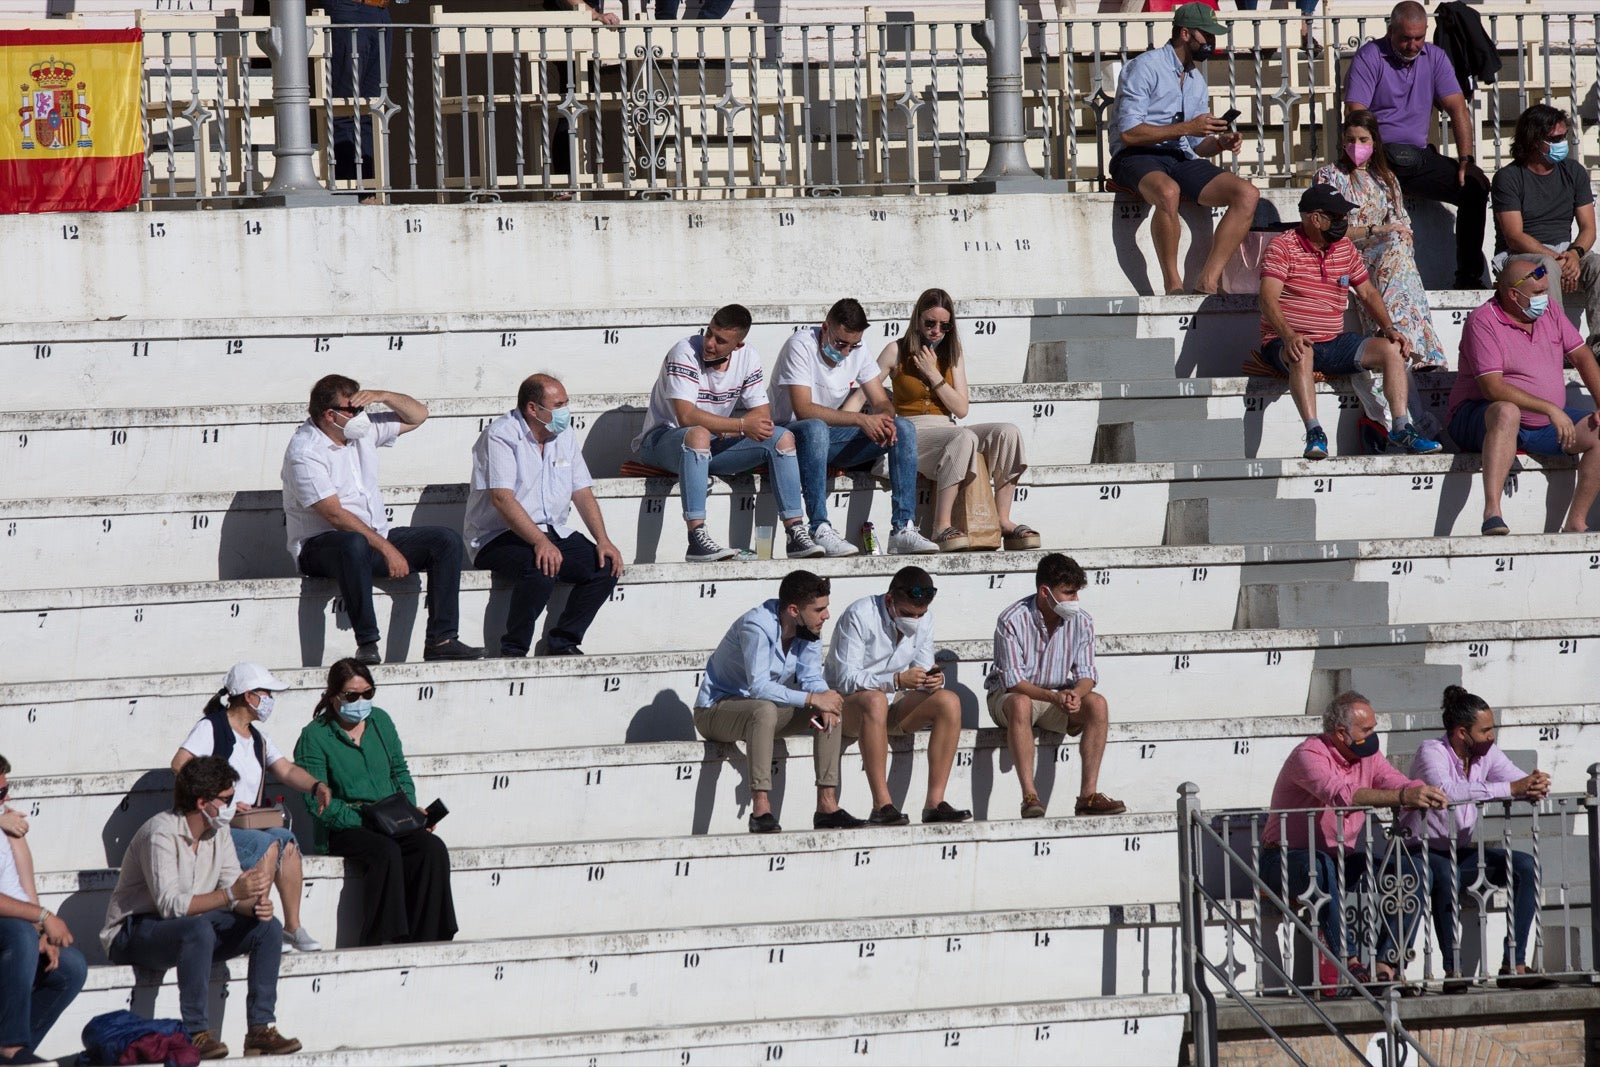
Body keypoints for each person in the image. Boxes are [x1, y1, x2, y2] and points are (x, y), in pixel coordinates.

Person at [101, 758, 302, 1060]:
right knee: (197, 928)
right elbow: (171, 905)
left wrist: (255, 904)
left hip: (193, 928)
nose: (232, 805)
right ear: (202, 802)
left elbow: (233, 891)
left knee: (268, 926)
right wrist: (233, 894)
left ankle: (260, 1029)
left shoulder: (217, 832)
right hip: (134, 931)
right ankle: (196, 1033)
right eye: (226, 799)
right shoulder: (160, 833)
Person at [282, 374, 482, 665]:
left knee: (444, 540)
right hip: (320, 547)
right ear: (330, 415)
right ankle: (367, 642)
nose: (361, 415)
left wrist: (383, 395)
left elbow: (418, 416)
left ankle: (442, 639)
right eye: (354, 409)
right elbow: (335, 515)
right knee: (352, 543)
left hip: (372, 538)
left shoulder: (360, 430)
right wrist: (388, 549)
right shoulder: (304, 452)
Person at [1258, 692, 1447, 991]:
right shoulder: (1309, 755)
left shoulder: (1368, 755)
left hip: (1337, 860)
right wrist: (1402, 797)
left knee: (1413, 870)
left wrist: (1421, 790)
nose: (1374, 735)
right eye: (1367, 730)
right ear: (1342, 734)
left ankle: (1387, 963)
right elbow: (1341, 796)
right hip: (1282, 862)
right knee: (1319, 865)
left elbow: (1394, 780)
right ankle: (1347, 961)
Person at [1258, 183, 1442, 460]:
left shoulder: (1343, 247)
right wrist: (1288, 335)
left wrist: (1390, 327)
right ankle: (1314, 432)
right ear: (1315, 218)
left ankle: (1402, 427)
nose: (1343, 222)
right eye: (1336, 216)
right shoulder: (1282, 246)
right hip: (1286, 343)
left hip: (1333, 342)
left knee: (1392, 350)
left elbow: (1366, 291)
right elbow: (1267, 298)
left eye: (1344, 216)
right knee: (1302, 350)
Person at [633, 305, 824, 563]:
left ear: (738, 345)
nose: (709, 343)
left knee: (782, 438)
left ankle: (795, 531)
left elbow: (762, 415)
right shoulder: (684, 352)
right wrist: (738, 426)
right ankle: (696, 537)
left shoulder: (748, 357)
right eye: (709, 333)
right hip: (661, 440)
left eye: (720, 340)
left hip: (712, 442)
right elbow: (685, 417)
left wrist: (730, 427)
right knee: (698, 434)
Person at [1400, 685, 1556, 991]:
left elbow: (1515, 778)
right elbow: (1447, 792)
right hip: (1420, 849)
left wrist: (1534, 785)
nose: (1491, 736)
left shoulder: (1486, 753)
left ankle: (1514, 963)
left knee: (1525, 866)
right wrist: (1513, 789)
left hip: (1459, 850)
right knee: (1444, 873)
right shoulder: (1431, 750)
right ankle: (1453, 971)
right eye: (1485, 730)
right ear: (1461, 733)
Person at [293, 659, 458, 947]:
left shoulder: (380, 720)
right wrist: (367, 820)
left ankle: (430, 937)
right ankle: (382, 938)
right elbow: (317, 804)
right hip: (345, 826)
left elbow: (399, 772)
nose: (361, 701)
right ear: (334, 696)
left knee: (432, 848)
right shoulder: (315, 736)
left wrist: (408, 813)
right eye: (352, 695)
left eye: (368, 693)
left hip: (389, 819)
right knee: (385, 850)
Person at [171, 662, 332, 954]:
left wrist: (315, 785)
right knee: (268, 844)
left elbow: (285, 770)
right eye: (266, 693)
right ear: (248, 695)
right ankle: (259, 922)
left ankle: (292, 927)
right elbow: (180, 764)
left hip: (247, 823)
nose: (270, 700)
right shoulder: (212, 727)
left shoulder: (258, 737)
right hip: (215, 829)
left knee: (289, 844)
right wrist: (217, 798)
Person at [694, 571, 866, 833]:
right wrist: (812, 697)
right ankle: (761, 808)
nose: (826, 616)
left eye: (826, 608)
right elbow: (759, 687)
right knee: (764, 709)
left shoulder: (808, 627)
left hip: (766, 715)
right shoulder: (757, 626)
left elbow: (810, 677)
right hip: (716, 711)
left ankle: (827, 806)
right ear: (794, 610)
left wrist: (824, 698)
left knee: (830, 707)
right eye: (819, 609)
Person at [867, 289, 1038, 552]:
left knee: (1008, 433)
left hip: (948, 427)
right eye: (930, 323)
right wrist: (848, 418)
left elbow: (961, 409)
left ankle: (1002, 520)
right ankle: (940, 525)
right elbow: (866, 388)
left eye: (944, 326)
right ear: (917, 319)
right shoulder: (896, 350)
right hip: (913, 430)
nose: (937, 331)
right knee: (963, 437)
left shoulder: (952, 353)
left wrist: (933, 375)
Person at [1107, 3, 1261, 296]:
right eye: (1207, 35)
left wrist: (1219, 143)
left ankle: (1208, 280)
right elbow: (1129, 133)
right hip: (1136, 154)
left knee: (1247, 194)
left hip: (1178, 154)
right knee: (1168, 192)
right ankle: (1173, 285)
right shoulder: (1144, 67)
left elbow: (1196, 146)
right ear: (1185, 33)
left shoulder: (1195, 79)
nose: (1212, 43)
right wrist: (1187, 128)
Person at [466, 373, 623, 657]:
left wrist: (603, 539)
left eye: (566, 403)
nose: (565, 410)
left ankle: (562, 641)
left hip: (553, 530)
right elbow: (502, 498)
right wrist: (540, 541)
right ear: (532, 409)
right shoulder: (500, 434)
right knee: (540, 568)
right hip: (496, 536)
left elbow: (582, 491)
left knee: (605, 565)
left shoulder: (564, 435)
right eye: (558, 404)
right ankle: (514, 649)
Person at [771, 298, 937, 557]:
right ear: (825, 328)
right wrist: (861, 419)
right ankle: (818, 528)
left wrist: (882, 419)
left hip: (830, 438)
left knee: (902, 427)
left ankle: (903, 528)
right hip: (792, 437)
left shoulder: (858, 349)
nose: (846, 352)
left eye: (853, 345)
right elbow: (803, 410)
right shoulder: (800, 345)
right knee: (815, 428)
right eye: (840, 344)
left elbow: (881, 401)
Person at [1446, 257, 1600, 535]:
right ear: (1513, 295)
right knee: (1507, 410)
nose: (1546, 298)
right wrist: (1550, 409)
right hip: (1478, 417)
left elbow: (1581, 355)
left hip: (1540, 426)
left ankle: (1576, 521)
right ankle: (1492, 512)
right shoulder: (1483, 321)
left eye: (1545, 290)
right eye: (1538, 293)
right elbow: (1492, 388)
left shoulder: (1549, 310)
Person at [1344, 0, 1489, 289]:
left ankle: (1468, 278)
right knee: (1400, 155)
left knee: (1475, 186)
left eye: (1419, 38)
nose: (1412, 45)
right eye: (1405, 38)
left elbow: (1458, 108)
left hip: (1417, 158)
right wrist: (1363, 163)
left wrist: (1466, 160)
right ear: (1390, 31)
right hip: (1378, 155)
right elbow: (1356, 115)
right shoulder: (1370, 56)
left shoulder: (1434, 57)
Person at [825, 567, 971, 826]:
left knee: (949, 701)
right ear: (889, 600)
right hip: (845, 707)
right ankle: (882, 805)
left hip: (890, 706)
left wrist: (934, 679)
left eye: (920, 614)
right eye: (907, 614)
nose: (914, 620)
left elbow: (925, 666)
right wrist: (894, 681)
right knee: (874, 700)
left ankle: (935, 803)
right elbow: (846, 679)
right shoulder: (859, 614)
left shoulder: (925, 619)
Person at [985, 553, 1125, 819]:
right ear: (1044, 592)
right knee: (1020, 702)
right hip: (1009, 697)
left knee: (1097, 703)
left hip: (1056, 697)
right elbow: (1013, 681)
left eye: (1076, 593)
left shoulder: (1083, 621)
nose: (1075, 600)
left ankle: (1088, 796)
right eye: (1069, 593)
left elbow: (1086, 674)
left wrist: (1076, 693)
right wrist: (1054, 697)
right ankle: (1030, 796)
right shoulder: (1011, 619)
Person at [1313, 111, 1448, 369]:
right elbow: (1328, 230)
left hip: (1384, 254)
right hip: (1343, 252)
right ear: (1342, 141)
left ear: (1374, 142)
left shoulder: (1385, 179)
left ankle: (1403, 342)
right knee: (1394, 254)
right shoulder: (1329, 177)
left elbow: (1401, 221)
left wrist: (1403, 236)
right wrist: (1376, 230)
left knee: (1398, 252)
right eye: (1350, 139)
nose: (1356, 146)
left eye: (1363, 139)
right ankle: (1411, 347)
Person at [0, 754, 87, 1066]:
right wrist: (41, 918)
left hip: (17, 922)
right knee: (21, 934)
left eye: (5, 790)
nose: (6, 798)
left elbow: (24, 885)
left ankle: (13, 1054)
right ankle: (8, 1045)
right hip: (9, 926)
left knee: (70, 967)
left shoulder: (10, 824)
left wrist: (42, 930)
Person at [1491, 104, 1600, 349]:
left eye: (1564, 137)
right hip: (1518, 259)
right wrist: (1557, 259)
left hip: (1563, 254)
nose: (1563, 143)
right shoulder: (1508, 178)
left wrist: (1574, 254)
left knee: (1597, 265)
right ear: (1533, 140)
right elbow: (1514, 236)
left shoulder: (1574, 172)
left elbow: (1588, 228)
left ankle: (1599, 346)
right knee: (1547, 266)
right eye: (1555, 139)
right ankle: (1557, 345)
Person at [326, 0, 390, 186]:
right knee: (345, 106)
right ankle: (349, 188)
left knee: (372, 108)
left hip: (380, 12)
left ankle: (368, 188)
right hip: (350, 8)